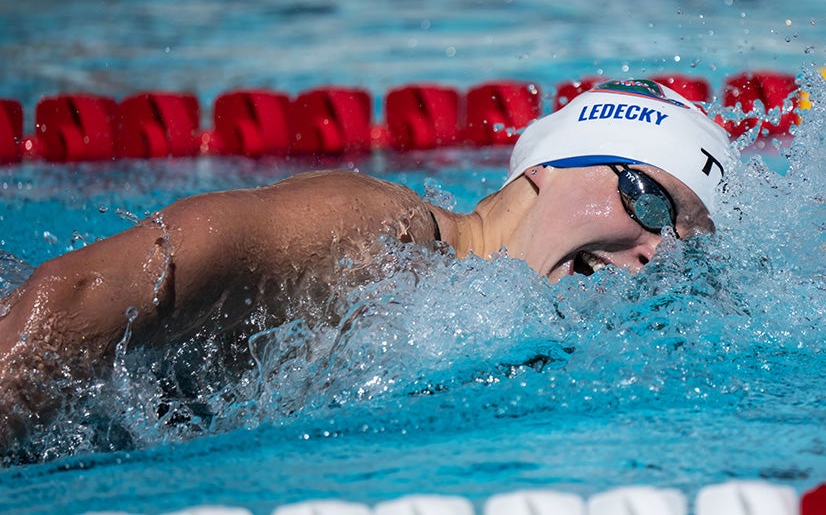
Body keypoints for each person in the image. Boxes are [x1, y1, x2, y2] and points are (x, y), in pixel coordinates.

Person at [0, 79, 730, 447]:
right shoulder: (371, 232)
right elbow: (74, 295)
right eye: (651, 204)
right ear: (547, 167)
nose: (653, 253)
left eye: (679, 251)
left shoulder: (492, 341)